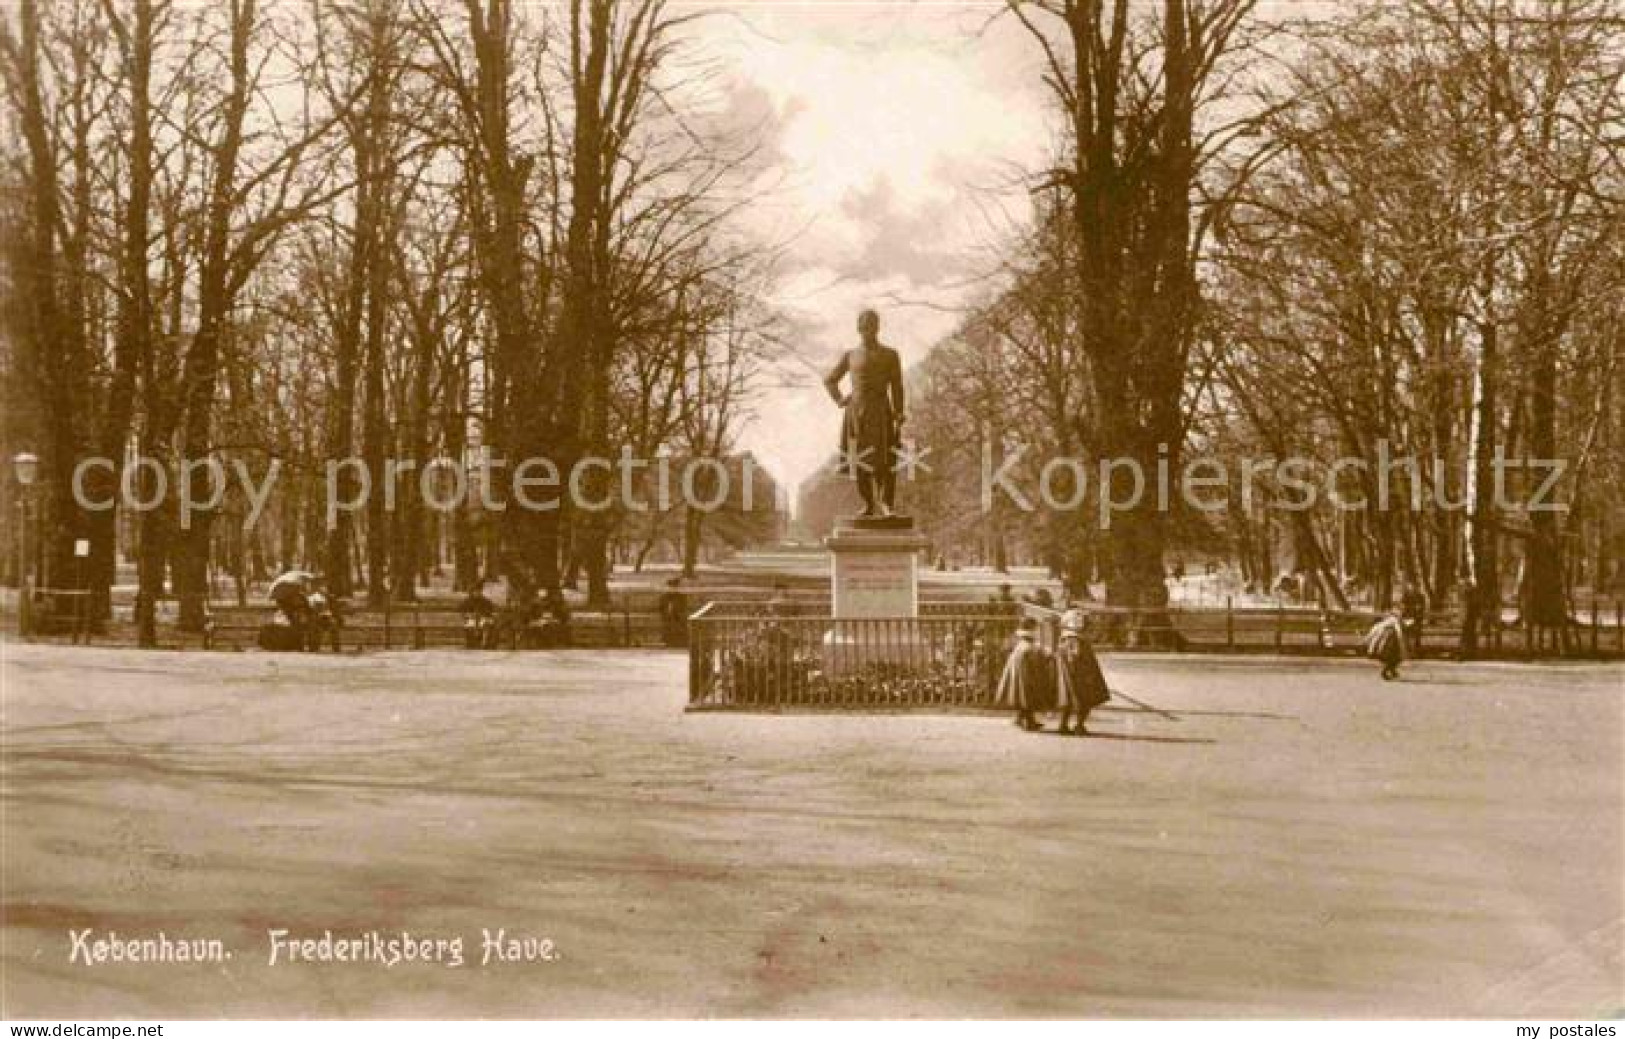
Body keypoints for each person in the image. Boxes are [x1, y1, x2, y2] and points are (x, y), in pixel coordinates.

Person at [823, 308, 905, 518]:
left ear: (878, 328)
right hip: (856, 413)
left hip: (881, 412)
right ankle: (868, 503)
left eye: (872, 326)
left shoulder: (890, 355)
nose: (868, 330)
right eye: (864, 327)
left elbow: (897, 386)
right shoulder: (850, 355)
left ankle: (886, 504)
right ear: (859, 329)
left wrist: (899, 411)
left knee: (886, 459)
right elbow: (830, 380)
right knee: (860, 460)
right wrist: (840, 400)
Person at [1054, 608, 1111, 735]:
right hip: (1080, 676)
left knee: (1067, 700)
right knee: (1084, 700)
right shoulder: (1077, 640)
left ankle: (1063, 725)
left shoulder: (1063, 639)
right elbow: (1077, 657)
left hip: (1067, 675)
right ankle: (1079, 726)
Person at [995, 617, 1054, 731]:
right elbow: (1036, 655)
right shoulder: (1028, 646)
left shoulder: (1021, 645)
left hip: (1020, 669)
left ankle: (1021, 718)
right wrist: (1046, 655)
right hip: (1026, 671)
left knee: (1023, 693)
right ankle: (1028, 721)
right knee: (1027, 693)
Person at [1365, 609, 1408, 681]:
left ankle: (1392, 670)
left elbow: (1373, 630)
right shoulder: (1395, 621)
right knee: (1395, 658)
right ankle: (1386, 671)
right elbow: (1399, 633)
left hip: (1382, 643)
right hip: (1389, 643)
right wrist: (1403, 647)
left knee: (1394, 658)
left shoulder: (1385, 622)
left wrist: (1367, 640)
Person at [461, 582, 498, 649]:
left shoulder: (485, 601)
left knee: (486, 625)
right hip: (471, 619)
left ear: (481, 591)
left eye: (478, 591)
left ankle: (484, 643)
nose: (477, 593)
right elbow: (462, 611)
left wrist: (486, 615)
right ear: (472, 592)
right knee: (469, 626)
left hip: (483, 619)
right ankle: (470, 643)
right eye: (475, 591)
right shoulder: (468, 601)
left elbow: (491, 611)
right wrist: (468, 615)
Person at [658, 577, 689, 647]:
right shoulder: (664, 597)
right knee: (668, 624)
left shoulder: (682, 597)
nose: (673, 589)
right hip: (667, 618)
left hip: (678, 618)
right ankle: (668, 641)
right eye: (671, 587)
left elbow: (683, 608)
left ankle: (678, 641)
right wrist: (667, 612)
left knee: (679, 624)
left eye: (674, 587)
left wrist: (677, 613)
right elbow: (661, 608)